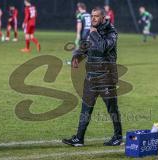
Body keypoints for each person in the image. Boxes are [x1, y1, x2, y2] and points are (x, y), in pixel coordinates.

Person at [62, 7, 123, 147]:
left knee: (112, 109)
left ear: (103, 18)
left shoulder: (111, 32)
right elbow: (84, 47)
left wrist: (94, 34)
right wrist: (77, 56)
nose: (93, 18)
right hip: (91, 78)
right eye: (92, 16)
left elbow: (102, 47)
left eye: (96, 16)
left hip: (106, 77)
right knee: (86, 109)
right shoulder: (92, 32)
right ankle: (79, 138)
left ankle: (118, 137)